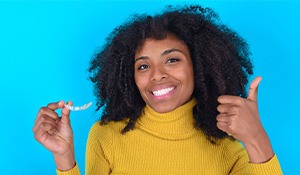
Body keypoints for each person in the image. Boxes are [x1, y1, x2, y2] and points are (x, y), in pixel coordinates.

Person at [33, 5, 283, 175]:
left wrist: (256, 137)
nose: (156, 74)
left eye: (172, 59)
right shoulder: (106, 136)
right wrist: (64, 156)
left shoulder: (228, 149)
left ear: (199, 66)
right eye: (143, 65)